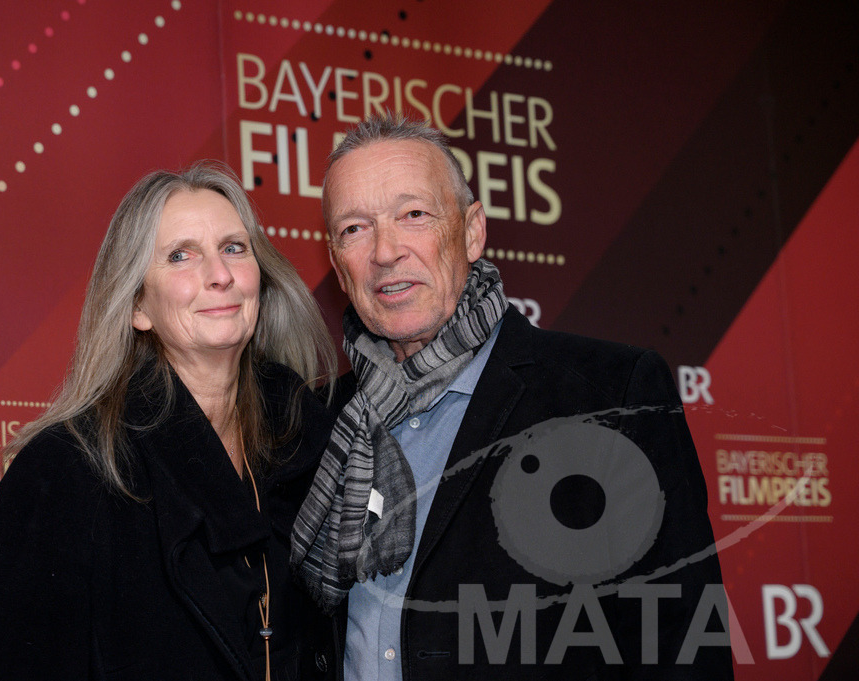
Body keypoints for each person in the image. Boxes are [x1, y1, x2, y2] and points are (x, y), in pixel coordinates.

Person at [291, 115, 733, 680]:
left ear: (472, 231)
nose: (384, 251)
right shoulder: (319, 422)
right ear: (337, 264)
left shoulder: (608, 395)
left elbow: (683, 645)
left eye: (414, 215)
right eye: (355, 228)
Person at [0, 162, 338, 681]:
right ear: (138, 304)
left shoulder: (313, 443)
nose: (220, 274)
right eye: (180, 256)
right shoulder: (64, 473)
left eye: (234, 247)